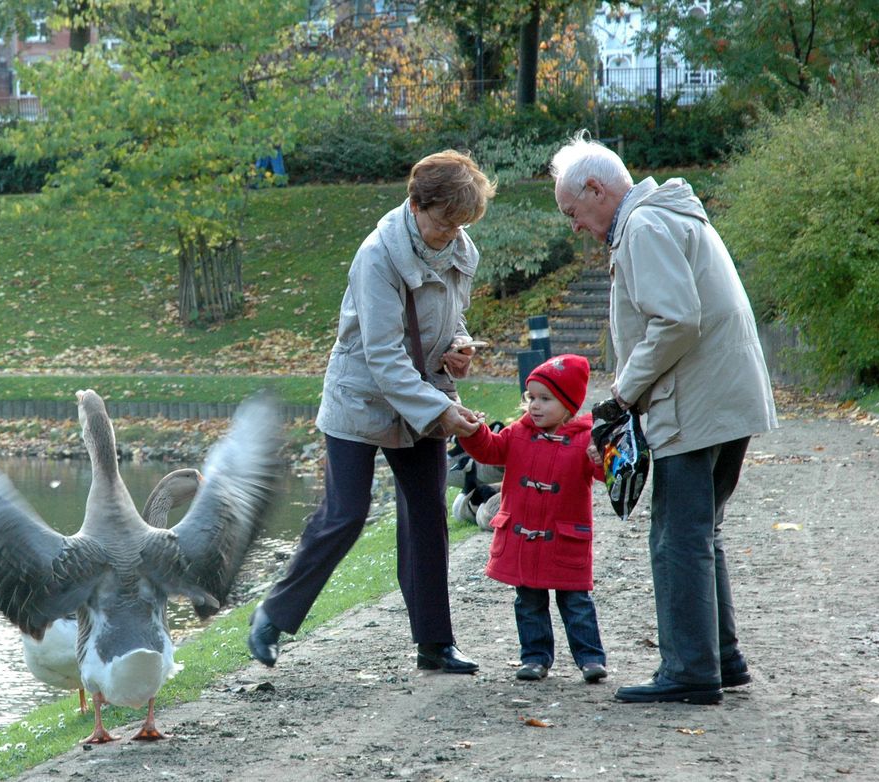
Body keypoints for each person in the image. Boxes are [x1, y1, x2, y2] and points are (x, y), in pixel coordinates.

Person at [549, 132, 778, 705]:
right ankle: (721, 659)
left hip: (694, 404)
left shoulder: (645, 227)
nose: (574, 225)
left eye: (573, 212)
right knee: (702, 533)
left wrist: (621, 394)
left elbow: (676, 321)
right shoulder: (669, 216)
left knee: (677, 537)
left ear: (597, 189)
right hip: (725, 397)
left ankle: (691, 670)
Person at [248, 150, 496, 674]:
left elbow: (452, 317)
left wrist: (459, 345)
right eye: (443, 223)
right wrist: (443, 412)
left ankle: (435, 643)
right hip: (360, 395)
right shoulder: (377, 257)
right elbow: (383, 356)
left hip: (421, 393)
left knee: (428, 515)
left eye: (460, 225)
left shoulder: (459, 249)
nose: (451, 235)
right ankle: (272, 614)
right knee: (346, 513)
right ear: (415, 204)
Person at [456, 353, 609, 684]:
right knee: (528, 602)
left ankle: (590, 658)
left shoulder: (585, 439)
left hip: (565, 539)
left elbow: (603, 476)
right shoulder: (517, 433)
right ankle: (535, 658)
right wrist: (472, 431)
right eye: (531, 398)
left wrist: (602, 456)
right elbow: (490, 451)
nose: (535, 406)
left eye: (545, 399)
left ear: (569, 404)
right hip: (524, 539)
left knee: (576, 602)